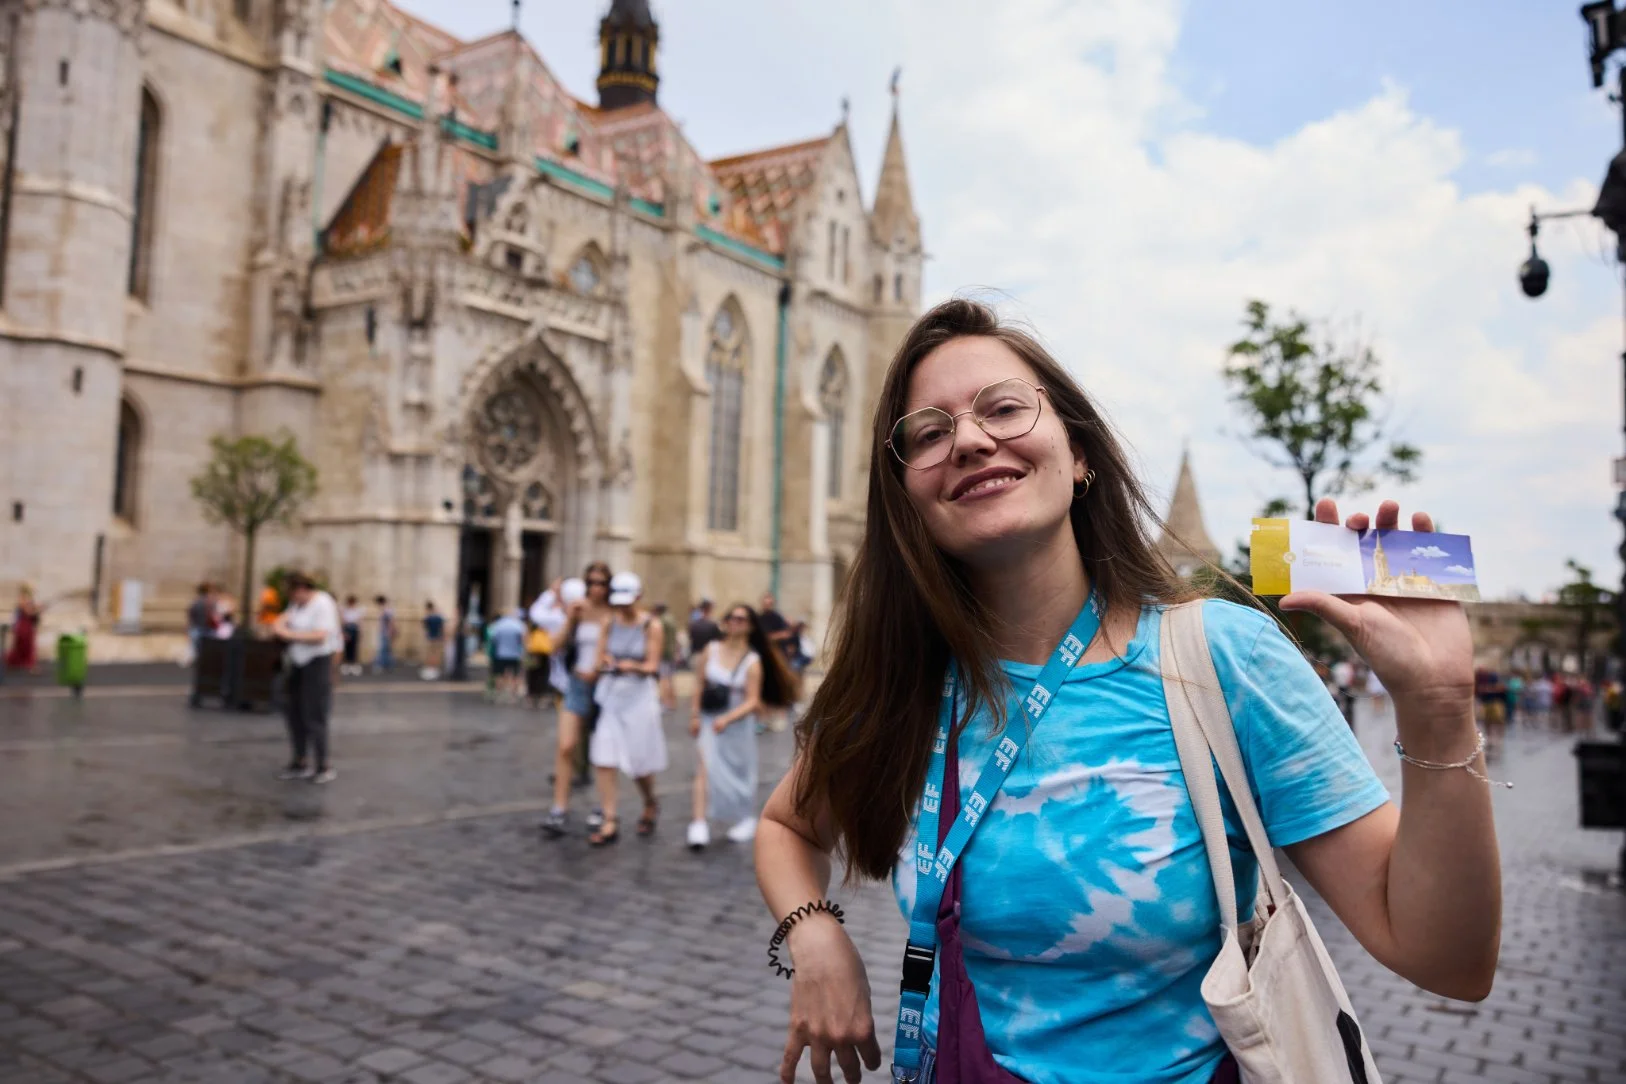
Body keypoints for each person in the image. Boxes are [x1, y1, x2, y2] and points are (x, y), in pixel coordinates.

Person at [754, 299, 1500, 1084]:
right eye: (930, 433)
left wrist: (1440, 712)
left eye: (1004, 408)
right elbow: (785, 826)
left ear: (1079, 455)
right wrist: (813, 935)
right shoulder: (903, 676)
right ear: (907, 493)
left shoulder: (1221, 655)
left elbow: (1446, 959)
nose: (970, 439)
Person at [687, 603, 800, 851]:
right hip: (710, 720)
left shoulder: (752, 660)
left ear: (750, 626)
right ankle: (698, 824)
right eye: (731, 617)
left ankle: (746, 818)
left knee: (739, 772)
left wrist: (728, 719)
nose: (735, 622)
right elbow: (699, 685)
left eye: (741, 619)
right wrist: (695, 716)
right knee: (704, 768)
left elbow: (753, 701)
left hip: (737, 725)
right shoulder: (711, 649)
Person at [586, 571, 668, 846]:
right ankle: (610, 819)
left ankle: (650, 801)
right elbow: (598, 659)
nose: (622, 607)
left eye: (627, 602)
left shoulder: (651, 625)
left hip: (640, 700)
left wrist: (630, 666)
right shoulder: (609, 621)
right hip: (612, 697)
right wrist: (606, 661)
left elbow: (652, 666)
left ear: (638, 597)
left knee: (639, 763)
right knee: (604, 756)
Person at [542, 563, 614, 838]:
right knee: (566, 746)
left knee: (601, 752)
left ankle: (601, 806)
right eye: (592, 582)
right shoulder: (578, 608)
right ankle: (559, 808)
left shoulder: (614, 613)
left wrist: (601, 667)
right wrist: (570, 619)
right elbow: (553, 645)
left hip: (604, 688)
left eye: (602, 583)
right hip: (577, 684)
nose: (596, 587)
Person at [271, 572, 343, 784]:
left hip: (316, 662)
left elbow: (321, 636)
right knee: (294, 712)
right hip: (297, 662)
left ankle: (323, 765)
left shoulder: (322, 603)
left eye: (293, 593)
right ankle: (300, 761)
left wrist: (289, 634)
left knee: (314, 714)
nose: (292, 599)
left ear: (302, 589)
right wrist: (281, 627)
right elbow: (281, 621)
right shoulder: (297, 606)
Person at [485, 607, 528, 702]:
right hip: (515, 654)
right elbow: (524, 639)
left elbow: (493, 639)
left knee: (499, 674)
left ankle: (500, 694)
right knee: (515, 675)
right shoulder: (519, 625)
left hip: (501, 653)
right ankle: (513, 695)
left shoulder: (498, 625)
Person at [5, 583, 42, 673]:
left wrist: (37, 608)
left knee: (22, 647)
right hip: (24, 626)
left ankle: (15, 664)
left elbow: (31, 609)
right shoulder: (23, 599)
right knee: (27, 647)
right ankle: (30, 666)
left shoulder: (25, 599)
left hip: (24, 626)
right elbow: (28, 612)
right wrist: (37, 610)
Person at [653, 601, 680, 709]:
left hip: (664, 653)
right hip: (671, 652)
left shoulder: (661, 621)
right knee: (670, 679)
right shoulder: (671, 619)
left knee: (664, 679)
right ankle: (672, 702)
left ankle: (665, 702)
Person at [184, 583, 217, 667]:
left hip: (197, 627)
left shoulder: (195, 602)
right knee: (207, 647)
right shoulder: (211, 602)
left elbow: (190, 615)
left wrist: (188, 628)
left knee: (197, 647)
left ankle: (200, 662)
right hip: (208, 627)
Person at [339, 595, 364, 677]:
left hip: (354, 630)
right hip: (348, 629)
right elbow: (343, 622)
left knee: (354, 649)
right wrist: (343, 632)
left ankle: (354, 666)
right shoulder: (345, 610)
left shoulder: (357, 610)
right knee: (347, 649)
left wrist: (361, 632)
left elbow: (359, 622)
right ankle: (346, 666)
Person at [421, 601, 445, 680]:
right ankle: (435, 669)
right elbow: (442, 628)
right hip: (438, 638)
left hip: (430, 637)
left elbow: (424, 626)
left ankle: (430, 669)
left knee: (429, 654)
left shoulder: (428, 617)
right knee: (436, 654)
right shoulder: (439, 617)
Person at [372, 595, 395, 672]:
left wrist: (389, 632)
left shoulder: (386, 610)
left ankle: (381, 665)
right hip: (384, 632)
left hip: (385, 633)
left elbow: (391, 622)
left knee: (382, 649)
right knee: (386, 649)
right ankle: (387, 665)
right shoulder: (387, 609)